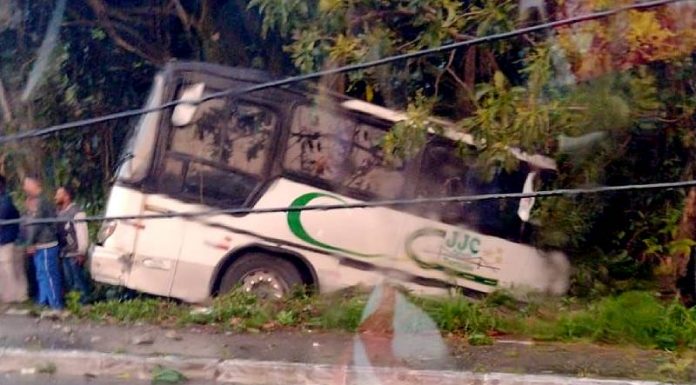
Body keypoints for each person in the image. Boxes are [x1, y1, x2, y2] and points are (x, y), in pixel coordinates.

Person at [23, 175, 63, 310]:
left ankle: (56, 304)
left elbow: (37, 224)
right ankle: (44, 300)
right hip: (39, 244)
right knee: (41, 274)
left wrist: (30, 242)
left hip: (46, 243)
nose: (25, 188)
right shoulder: (32, 202)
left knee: (49, 273)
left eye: (27, 184)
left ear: (35, 185)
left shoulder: (42, 202)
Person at [55, 185, 90, 304]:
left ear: (67, 196)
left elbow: (82, 232)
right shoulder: (59, 213)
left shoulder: (76, 212)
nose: (56, 197)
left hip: (75, 252)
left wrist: (82, 251)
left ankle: (84, 303)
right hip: (65, 252)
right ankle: (74, 302)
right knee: (69, 280)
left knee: (78, 279)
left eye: (59, 194)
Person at [0, 175, 26, 303]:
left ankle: (13, 297)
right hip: (5, 240)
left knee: (8, 270)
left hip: (8, 240)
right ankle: (14, 296)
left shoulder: (5, 201)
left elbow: (2, 216)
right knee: (7, 270)